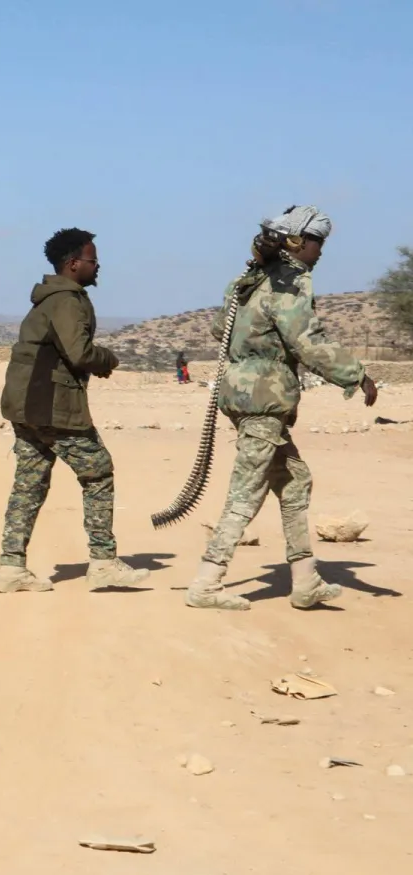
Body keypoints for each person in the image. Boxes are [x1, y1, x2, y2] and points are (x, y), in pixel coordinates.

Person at [186, 205, 376, 611]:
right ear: (299, 242)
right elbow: (306, 340)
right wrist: (356, 375)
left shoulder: (250, 279)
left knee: (295, 482)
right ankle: (206, 581)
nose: (321, 252)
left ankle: (305, 580)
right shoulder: (288, 283)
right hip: (264, 399)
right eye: (318, 243)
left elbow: (223, 328)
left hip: (242, 394)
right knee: (246, 490)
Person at [0, 228, 151, 593]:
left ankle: (11, 567)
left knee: (29, 484)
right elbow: (78, 352)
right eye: (94, 260)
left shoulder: (47, 298)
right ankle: (103, 562)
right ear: (74, 263)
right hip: (52, 406)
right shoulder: (67, 300)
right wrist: (106, 358)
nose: (99, 267)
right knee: (98, 472)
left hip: (26, 406)